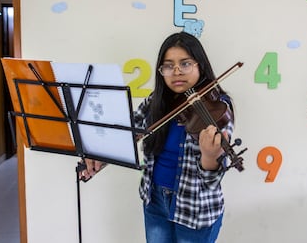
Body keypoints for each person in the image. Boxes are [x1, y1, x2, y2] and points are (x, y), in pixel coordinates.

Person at [83, 31, 235, 243]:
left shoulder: (217, 107)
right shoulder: (157, 100)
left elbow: (212, 180)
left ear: (200, 65)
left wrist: (210, 157)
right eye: (168, 65)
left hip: (195, 209)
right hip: (155, 200)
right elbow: (129, 132)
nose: (177, 72)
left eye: (185, 64)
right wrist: (101, 154)